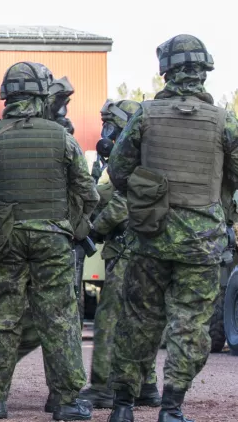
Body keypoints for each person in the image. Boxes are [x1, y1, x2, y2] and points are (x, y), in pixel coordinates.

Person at [106, 35, 238, 422]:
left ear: (166, 70)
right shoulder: (225, 121)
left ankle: (123, 407)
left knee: (138, 319)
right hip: (201, 241)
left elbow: (118, 172)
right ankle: (171, 408)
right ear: (204, 71)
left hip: (149, 236)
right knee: (190, 324)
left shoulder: (144, 114)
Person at [0, 61, 98, 421]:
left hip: (4, 239)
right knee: (60, 319)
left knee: (1, 318)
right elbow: (89, 192)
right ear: (41, 93)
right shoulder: (61, 137)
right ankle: (65, 402)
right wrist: (71, 226)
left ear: (6, 95)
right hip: (53, 239)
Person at [77, 100, 162, 410]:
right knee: (142, 320)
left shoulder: (134, 160)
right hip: (147, 252)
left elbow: (120, 205)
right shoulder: (148, 156)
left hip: (128, 252)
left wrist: (92, 231)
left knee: (110, 319)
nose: (106, 132)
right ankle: (146, 385)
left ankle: (102, 388)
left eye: (111, 124)